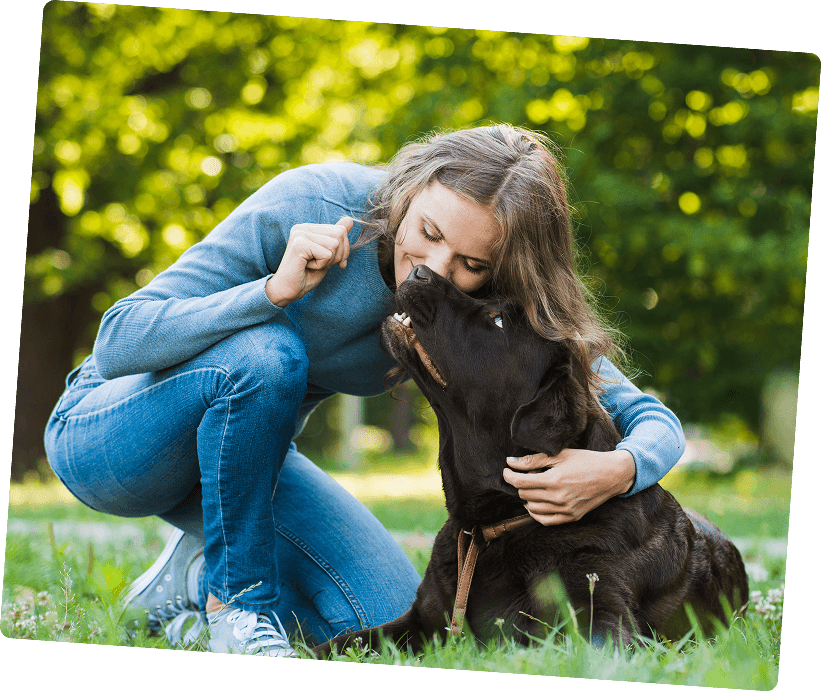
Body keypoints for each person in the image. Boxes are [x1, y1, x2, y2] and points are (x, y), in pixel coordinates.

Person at [44, 124, 685, 656]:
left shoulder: (488, 307)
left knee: (390, 614)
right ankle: (236, 608)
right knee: (268, 353)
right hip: (111, 437)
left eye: (471, 265)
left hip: (245, 463)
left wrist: (620, 468)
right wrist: (270, 294)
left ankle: (186, 584)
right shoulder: (315, 203)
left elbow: (646, 414)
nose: (432, 274)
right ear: (411, 187)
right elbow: (119, 339)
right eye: (428, 235)